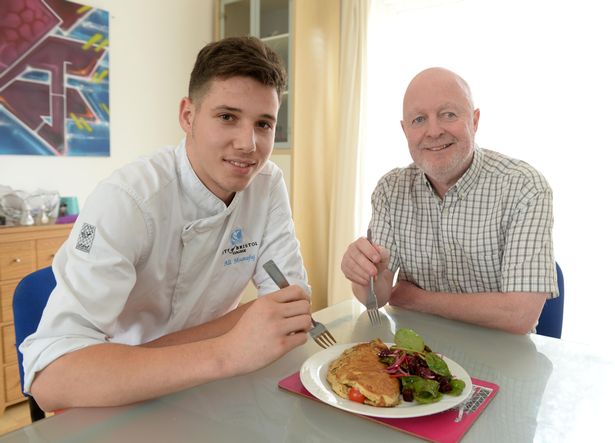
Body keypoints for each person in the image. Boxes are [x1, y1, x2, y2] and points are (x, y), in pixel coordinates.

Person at [20, 36, 312, 411]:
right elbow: (52, 379)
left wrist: (224, 348)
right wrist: (226, 350)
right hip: (117, 398)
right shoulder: (126, 199)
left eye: (264, 124)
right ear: (187, 116)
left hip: (203, 390)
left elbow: (288, 307)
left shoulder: (267, 183)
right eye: (227, 117)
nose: (248, 144)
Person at [341, 67, 557, 335]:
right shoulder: (390, 189)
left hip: (500, 356)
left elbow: (519, 315)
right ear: (404, 129)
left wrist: (416, 299)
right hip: (418, 353)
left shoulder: (524, 187)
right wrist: (362, 275)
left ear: (474, 121)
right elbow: (378, 297)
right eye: (419, 119)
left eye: (448, 115)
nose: (433, 131)